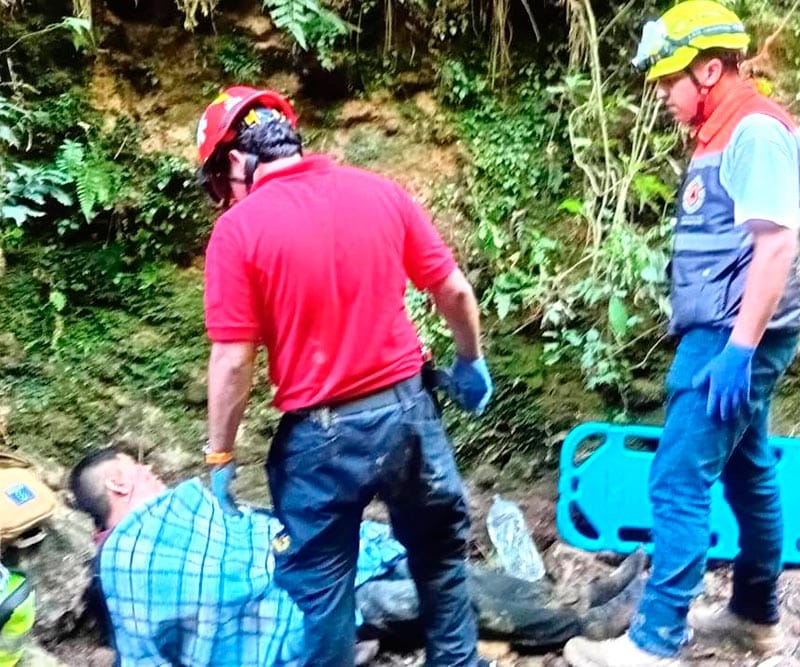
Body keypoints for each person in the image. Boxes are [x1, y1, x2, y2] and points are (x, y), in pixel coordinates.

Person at [196, 86, 494, 667]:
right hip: (409, 413)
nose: (220, 196)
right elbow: (454, 291)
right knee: (438, 554)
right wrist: (468, 359)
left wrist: (219, 454)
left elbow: (234, 360)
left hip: (323, 436)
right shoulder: (380, 192)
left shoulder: (238, 232)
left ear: (236, 159)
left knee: (324, 584)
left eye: (216, 180)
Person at [563, 2, 800, 666]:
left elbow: (778, 245)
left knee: (676, 475)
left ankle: (655, 640)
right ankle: (755, 616)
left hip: (733, 334)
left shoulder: (754, 131)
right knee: (749, 472)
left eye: (670, 80)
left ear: (712, 69)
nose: (662, 94)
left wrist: (740, 349)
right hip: (733, 329)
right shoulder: (723, 131)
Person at [69, 447, 647, 667]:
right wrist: (295, 565)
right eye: (139, 469)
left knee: (438, 567)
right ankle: (584, 623)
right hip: (288, 617)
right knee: (434, 595)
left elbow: (242, 538)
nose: (152, 472)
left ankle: (578, 595)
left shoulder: (172, 520)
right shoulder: (129, 555)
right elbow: (214, 586)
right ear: (119, 485)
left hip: (300, 576)